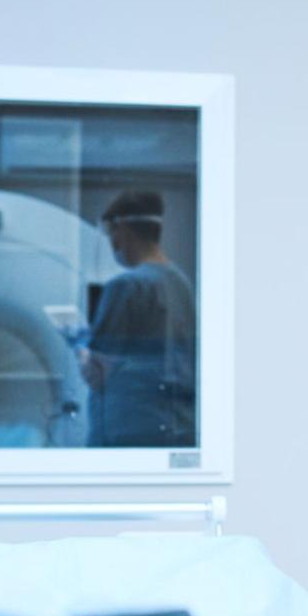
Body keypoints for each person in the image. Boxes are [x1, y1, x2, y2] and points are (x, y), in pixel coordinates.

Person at [82, 189, 197, 446]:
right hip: (175, 426)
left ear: (121, 229)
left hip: (127, 431)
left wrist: (77, 345)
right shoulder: (181, 283)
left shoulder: (126, 286)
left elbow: (97, 374)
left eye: (110, 232)